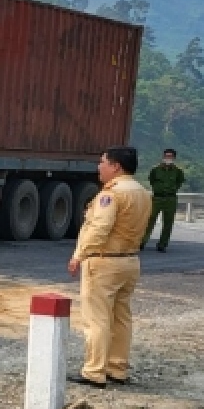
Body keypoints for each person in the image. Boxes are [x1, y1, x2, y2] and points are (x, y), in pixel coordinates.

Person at [67, 147, 153, 388]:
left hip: (105, 261)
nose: (99, 167)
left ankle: (94, 371)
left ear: (115, 166)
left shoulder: (111, 195)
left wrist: (79, 255)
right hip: (130, 260)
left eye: (102, 162)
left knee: (97, 318)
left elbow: (100, 228)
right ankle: (117, 367)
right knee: (121, 317)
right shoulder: (142, 193)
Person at [142, 148, 186, 252]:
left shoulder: (178, 171)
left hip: (170, 199)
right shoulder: (155, 170)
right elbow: (152, 181)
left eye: (170, 156)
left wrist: (172, 190)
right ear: (163, 157)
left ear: (174, 158)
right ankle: (142, 241)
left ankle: (162, 244)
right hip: (157, 198)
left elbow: (179, 183)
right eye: (166, 156)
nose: (168, 158)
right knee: (150, 220)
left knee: (168, 222)